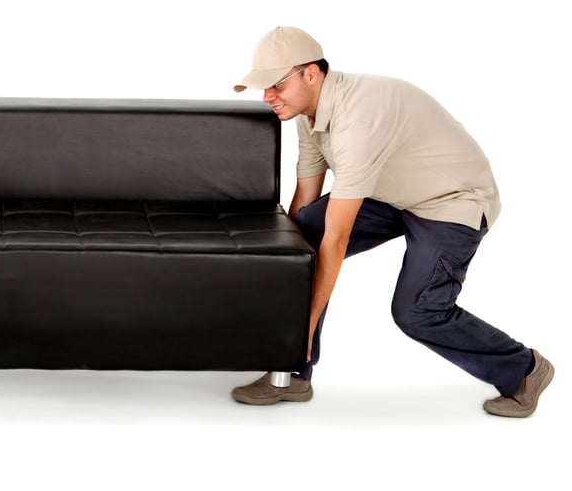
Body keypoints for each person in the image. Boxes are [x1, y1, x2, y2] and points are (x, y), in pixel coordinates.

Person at [229, 26, 553, 417]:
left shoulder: (357, 121)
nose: (267, 97)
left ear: (311, 73)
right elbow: (305, 209)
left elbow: (337, 238)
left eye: (275, 85)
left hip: (450, 200)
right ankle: (292, 373)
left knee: (417, 310)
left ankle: (524, 369)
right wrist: (283, 262)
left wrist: (304, 326)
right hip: (390, 192)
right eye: (263, 87)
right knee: (304, 236)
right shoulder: (307, 112)